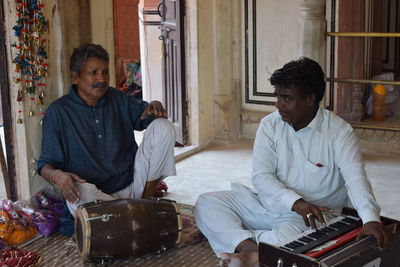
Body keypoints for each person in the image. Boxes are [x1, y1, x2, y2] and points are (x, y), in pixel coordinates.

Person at [195, 57, 392, 266]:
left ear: (310, 99)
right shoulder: (270, 125)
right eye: (277, 96)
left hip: (309, 219)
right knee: (207, 203)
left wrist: (371, 220)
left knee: (305, 237)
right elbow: (262, 177)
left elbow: (356, 179)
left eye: (287, 98)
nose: (279, 105)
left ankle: (242, 244)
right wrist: (296, 203)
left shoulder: (339, 133)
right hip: (265, 204)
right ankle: (251, 249)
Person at [37, 43, 176, 216]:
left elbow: (146, 118)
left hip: (133, 183)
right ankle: (132, 214)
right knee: (78, 194)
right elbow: (44, 165)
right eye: (93, 73)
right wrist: (57, 176)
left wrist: (155, 108)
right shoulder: (58, 112)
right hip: (94, 196)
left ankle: (143, 204)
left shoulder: (117, 97)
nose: (102, 79)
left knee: (164, 127)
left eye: (105, 72)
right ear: (75, 77)